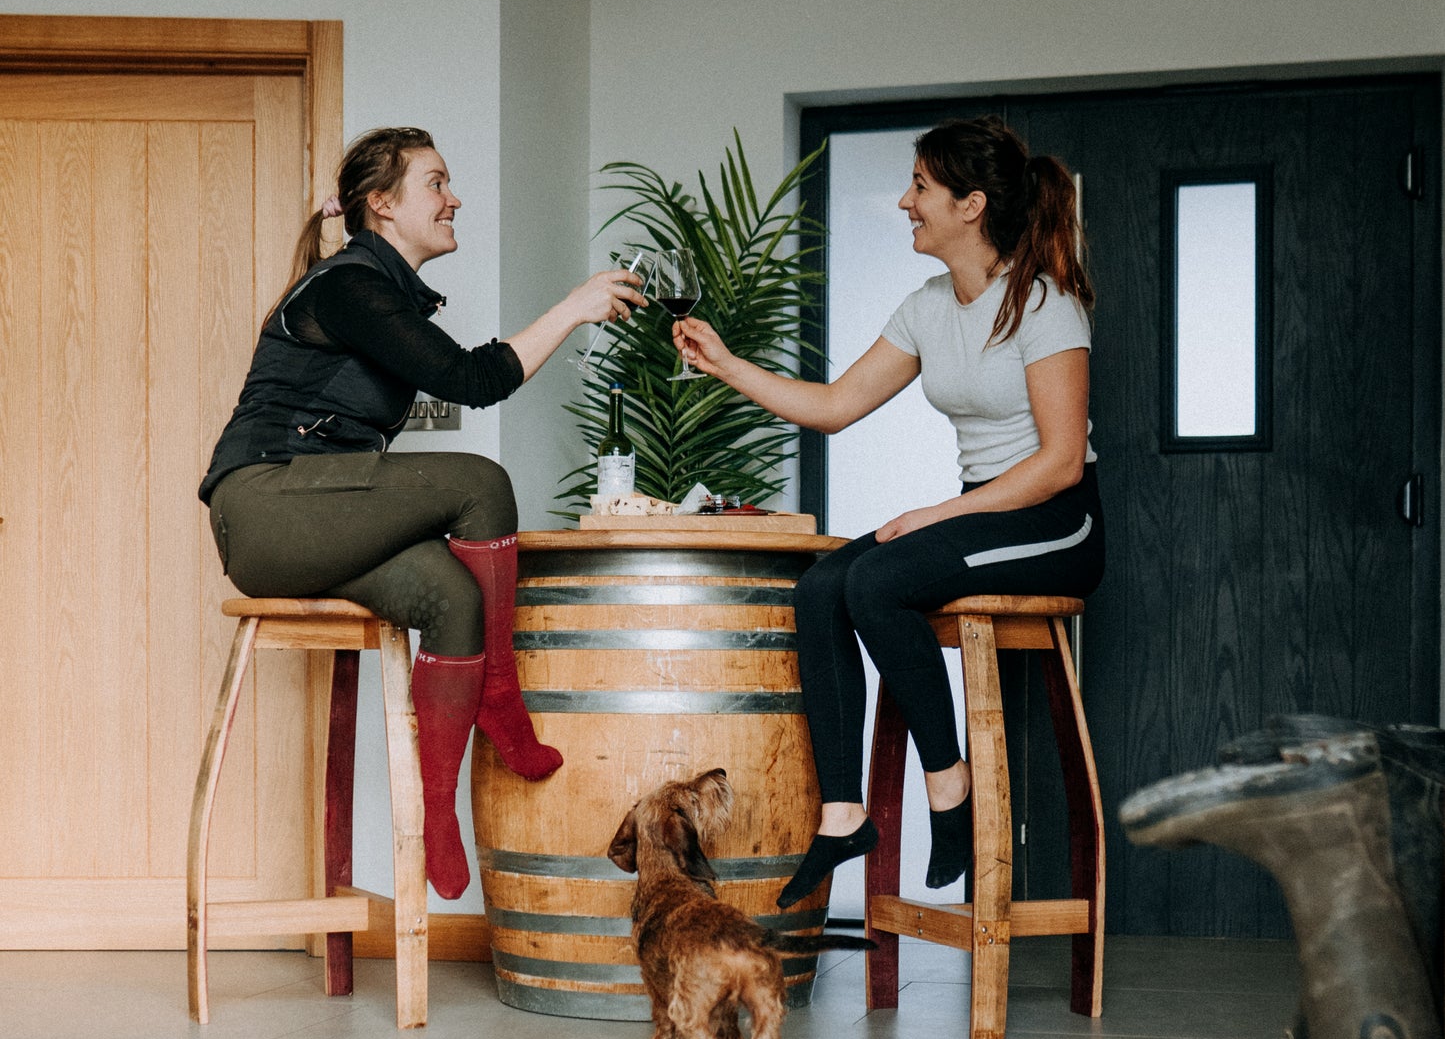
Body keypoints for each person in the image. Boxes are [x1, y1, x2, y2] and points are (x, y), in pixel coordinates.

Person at [199, 125, 642, 901]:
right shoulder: (347, 286)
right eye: (435, 183)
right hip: (265, 507)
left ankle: (438, 815)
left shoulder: (376, 290)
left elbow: (441, 383)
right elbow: (472, 379)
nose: (453, 197)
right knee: (479, 481)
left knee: (452, 597)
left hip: (320, 510)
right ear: (381, 204)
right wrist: (573, 307)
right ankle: (500, 699)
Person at [672, 115, 1104, 909]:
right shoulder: (927, 305)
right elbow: (835, 406)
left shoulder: (1042, 305)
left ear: (970, 204)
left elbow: (1059, 463)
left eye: (920, 187)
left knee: (876, 582)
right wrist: (725, 364)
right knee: (819, 588)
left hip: (1056, 523)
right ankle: (844, 816)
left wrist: (935, 514)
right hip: (981, 515)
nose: (905, 202)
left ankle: (949, 785)